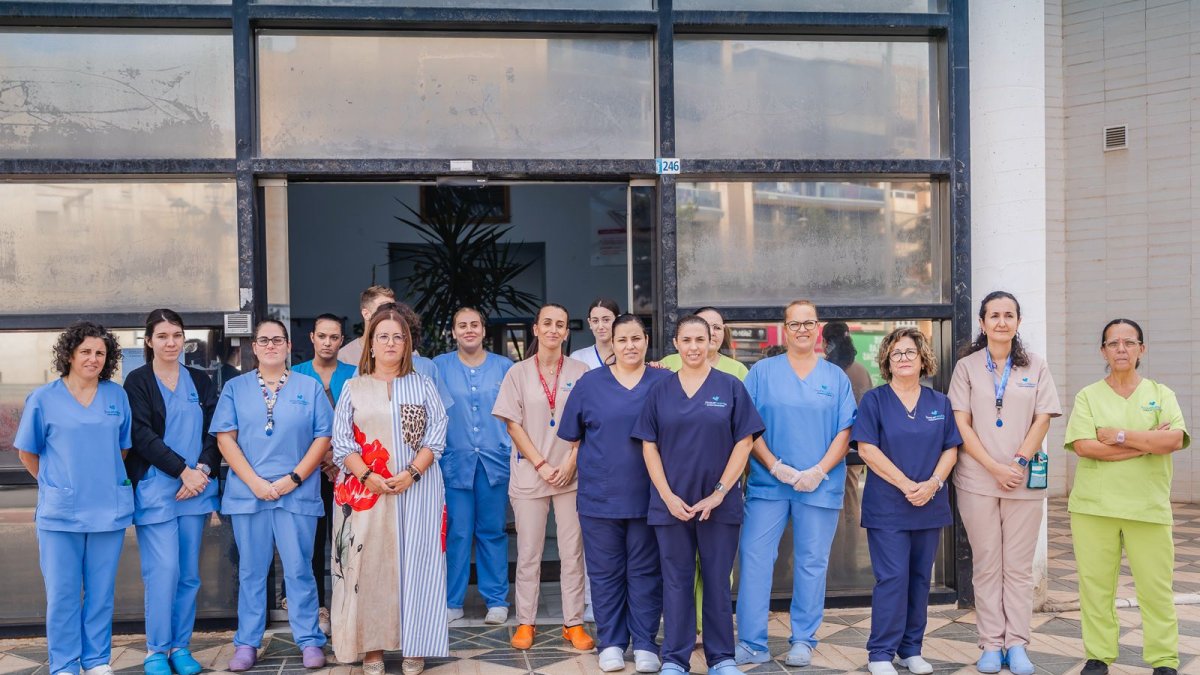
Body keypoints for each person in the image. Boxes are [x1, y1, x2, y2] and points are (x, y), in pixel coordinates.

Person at [632, 315, 764, 675]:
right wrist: (667, 496)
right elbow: (648, 446)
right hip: (671, 505)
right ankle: (675, 659)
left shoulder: (731, 387)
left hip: (719, 505)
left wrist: (720, 493)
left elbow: (744, 442)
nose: (693, 347)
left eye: (700, 340)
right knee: (676, 582)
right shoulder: (660, 390)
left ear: (711, 343)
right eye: (686, 340)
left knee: (718, 581)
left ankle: (721, 658)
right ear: (676, 344)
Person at [734, 301, 857, 667]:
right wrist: (774, 466)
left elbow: (845, 431)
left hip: (819, 485)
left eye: (808, 323)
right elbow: (747, 425)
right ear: (785, 328)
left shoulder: (836, 377)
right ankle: (752, 642)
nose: (802, 329)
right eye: (795, 323)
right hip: (769, 484)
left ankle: (803, 639)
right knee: (755, 558)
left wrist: (818, 470)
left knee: (811, 562)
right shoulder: (762, 372)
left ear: (817, 328)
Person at [1064, 319, 1189, 675]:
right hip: (1094, 508)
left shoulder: (1161, 394)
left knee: (1156, 588)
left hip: (1147, 507)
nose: (1121, 349)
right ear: (1103, 351)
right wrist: (1146, 443)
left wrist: (1119, 436)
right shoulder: (1088, 396)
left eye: (1129, 342)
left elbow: (1173, 440)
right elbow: (1085, 447)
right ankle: (1098, 655)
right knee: (1096, 588)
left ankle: (1164, 659)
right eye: (1113, 343)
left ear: (1141, 349)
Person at [330, 307, 449, 675]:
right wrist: (367, 475)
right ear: (371, 343)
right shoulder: (353, 387)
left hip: (418, 489)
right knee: (369, 567)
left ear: (407, 344)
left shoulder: (423, 385)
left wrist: (412, 472)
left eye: (399, 337)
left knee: (418, 565)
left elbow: (437, 434)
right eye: (383, 336)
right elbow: (341, 442)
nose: (391, 343)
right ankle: (372, 647)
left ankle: (417, 645)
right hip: (365, 494)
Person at [211, 320, 334, 672]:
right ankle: (247, 642)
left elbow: (323, 438)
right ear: (254, 347)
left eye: (277, 340)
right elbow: (225, 439)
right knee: (252, 572)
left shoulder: (309, 387)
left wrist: (294, 478)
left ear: (288, 345)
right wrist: (254, 483)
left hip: (296, 492)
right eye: (263, 340)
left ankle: (309, 639)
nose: (270, 345)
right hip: (249, 494)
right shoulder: (235, 388)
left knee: (299, 569)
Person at [948, 292, 1060, 675]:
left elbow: (1043, 418)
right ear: (982, 323)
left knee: (1018, 568)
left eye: (1008, 315)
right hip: (977, 478)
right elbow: (961, 423)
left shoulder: (1036, 365)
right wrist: (994, 467)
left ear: (1018, 322)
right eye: (993, 315)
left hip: (1022, 480)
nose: (1001, 321)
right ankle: (991, 644)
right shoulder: (966, 367)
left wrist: (1018, 462)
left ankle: (1017, 644)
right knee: (987, 565)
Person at [15, 322, 132, 675]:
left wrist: (101, 479)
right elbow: (27, 452)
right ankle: (64, 664)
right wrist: (57, 484)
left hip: (107, 510)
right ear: (69, 355)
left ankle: (96, 660)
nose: (93, 359)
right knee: (63, 594)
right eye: (86, 352)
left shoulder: (116, 397)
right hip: (60, 514)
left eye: (100, 353)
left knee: (100, 592)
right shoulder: (43, 399)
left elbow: (122, 448)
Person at [558, 314, 670, 673]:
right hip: (600, 498)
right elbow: (573, 436)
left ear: (647, 341)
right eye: (622, 340)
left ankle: (645, 644)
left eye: (636, 338)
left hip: (650, 497)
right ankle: (611, 643)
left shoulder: (664, 382)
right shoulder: (590, 384)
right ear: (612, 343)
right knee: (605, 574)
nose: (630, 346)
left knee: (646, 573)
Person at [852, 327, 960, 675]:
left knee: (919, 578)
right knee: (893, 578)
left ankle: (910, 649)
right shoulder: (874, 401)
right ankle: (881, 653)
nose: (903, 358)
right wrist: (906, 485)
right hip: (888, 507)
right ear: (886, 360)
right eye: (896, 353)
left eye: (909, 352)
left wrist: (932, 484)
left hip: (929, 504)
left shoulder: (939, 403)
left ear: (922, 358)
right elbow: (867, 449)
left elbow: (951, 449)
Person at [492, 303, 594, 651]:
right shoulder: (517, 373)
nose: (553, 329)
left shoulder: (581, 372)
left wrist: (569, 463)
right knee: (529, 552)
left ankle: (573, 623)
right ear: (535, 329)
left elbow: (589, 423)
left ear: (566, 332)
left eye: (560, 324)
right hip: (530, 472)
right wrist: (541, 464)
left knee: (572, 552)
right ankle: (526, 622)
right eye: (547, 323)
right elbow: (512, 424)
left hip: (571, 475)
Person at [123, 309, 220, 675]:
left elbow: (215, 431)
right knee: (163, 571)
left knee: (188, 575)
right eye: (162, 336)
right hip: (157, 490)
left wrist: (202, 471)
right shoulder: (138, 381)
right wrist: (183, 471)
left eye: (177, 335)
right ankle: (156, 650)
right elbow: (141, 435)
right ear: (149, 341)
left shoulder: (200, 380)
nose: (171, 342)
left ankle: (181, 646)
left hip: (196, 490)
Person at [433, 307, 514, 626]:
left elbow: (515, 413)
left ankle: (497, 601)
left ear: (483, 330)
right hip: (455, 463)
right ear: (453, 331)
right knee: (457, 532)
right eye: (462, 325)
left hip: (494, 462)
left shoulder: (504, 366)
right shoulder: (439, 367)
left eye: (474, 324)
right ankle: (452, 601)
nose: (469, 330)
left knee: (492, 531)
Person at [291, 313, 357, 634]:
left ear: (342, 340)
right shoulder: (296, 375)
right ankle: (319, 608)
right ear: (312, 338)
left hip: (348, 471)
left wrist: (337, 458)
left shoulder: (355, 375)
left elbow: (361, 422)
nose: (328, 343)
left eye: (334, 337)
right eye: (322, 336)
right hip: (309, 471)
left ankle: (347, 606)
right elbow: (293, 425)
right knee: (313, 542)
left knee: (346, 539)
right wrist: (320, 458)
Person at [822, 320, 873, 579]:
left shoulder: (824, 370)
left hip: (825, 450)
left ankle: (835, 567)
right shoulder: (860, 371)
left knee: (831, 509)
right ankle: (848, 565)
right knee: (851, 507)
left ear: (825, 342)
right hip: (854, 449)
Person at [658, 306, 748, 380]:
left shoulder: (738, 369)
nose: (711, 333)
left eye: (717, 328)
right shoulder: (668, 363)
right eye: (705, 326)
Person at [338, 285, 396, 366]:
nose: (391, 313)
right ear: (366, 314)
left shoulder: (404, 351)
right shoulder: (345, 357)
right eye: (384, 308)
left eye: (393, 308)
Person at [569, 297, 620, 370]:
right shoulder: (578, 358)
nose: (600, 326)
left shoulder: (627, 355)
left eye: (606, 320)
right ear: (590, 323)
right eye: (595, 321)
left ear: (618, 320)